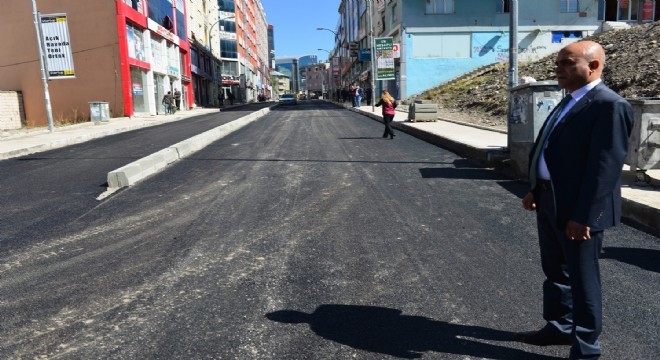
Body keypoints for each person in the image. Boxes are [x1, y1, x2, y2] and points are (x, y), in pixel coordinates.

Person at [517, 41, 633, 360]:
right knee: (556, 269)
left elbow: (605, 168)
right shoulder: (568, 100)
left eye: (567, 63)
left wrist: (584, 216)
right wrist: (536, 188)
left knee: (583, 277)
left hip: (580, 209)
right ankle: (558, 325)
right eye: (558, 63)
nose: (558, 69)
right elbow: (549, 147)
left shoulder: (610, 105)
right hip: (550, 198)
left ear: (593, 66)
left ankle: (586, 345)